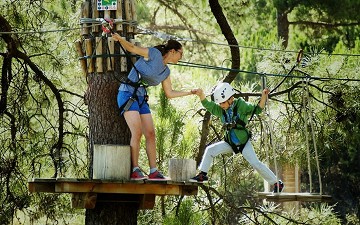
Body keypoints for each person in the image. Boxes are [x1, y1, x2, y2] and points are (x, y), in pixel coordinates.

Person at [111, 33, 197, 180]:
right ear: (172, 51)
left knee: (150, 133)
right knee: (137, 133)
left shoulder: (166, 71)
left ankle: (153, 171)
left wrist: (190, 92)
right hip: (127, 94)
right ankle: (135, 169)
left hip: (140, 97)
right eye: (180, 54)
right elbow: (132, 48)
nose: (181, 57)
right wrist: (119, 39)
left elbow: (169, 93)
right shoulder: (154, 53)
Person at [190, 82, 284, 193]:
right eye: (219, 103)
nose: (221, 105)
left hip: (243, 143)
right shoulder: (221, 110)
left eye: (223, 102)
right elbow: (208, 105)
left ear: (231, 98)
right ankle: (202, 174)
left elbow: (257, 109)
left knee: (255, 163)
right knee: (210, 150)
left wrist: (263, 96)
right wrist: (201, 95)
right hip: (230, 143)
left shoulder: (241, 105)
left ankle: (277, 183)